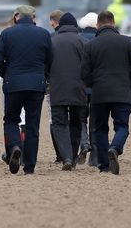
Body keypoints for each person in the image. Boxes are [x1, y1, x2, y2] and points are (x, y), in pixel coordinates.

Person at [0, 5, 53, 175]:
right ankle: (30, 166)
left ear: (17, 17)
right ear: (33, 18)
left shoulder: (7, 34)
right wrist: (43, 76)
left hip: (13, 84)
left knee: (11, 120)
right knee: (32, 126)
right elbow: (50, 59)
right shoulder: (44, 34)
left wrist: (6, 73)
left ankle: (16, 146)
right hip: (36, 85)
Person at [81, 11, 131, 175]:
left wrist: (93, 84)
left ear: (97, 25)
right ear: (114, 23)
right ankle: (115, 148)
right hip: (122, 92)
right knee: (122, 127)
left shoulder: (91, 45)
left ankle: (104, 165)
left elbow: (84, 73)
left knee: (100, 129)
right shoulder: (127, 41)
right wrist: (129, 85)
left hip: (99, 93)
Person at [49, 12, 88, 170]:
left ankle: (66, 157)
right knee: (76, 122)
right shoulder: (84, 42)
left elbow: (46, 65)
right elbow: (88, 67)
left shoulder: (52, 41)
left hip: (57, 88)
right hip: (79, 89)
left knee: (59, 123)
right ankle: (72, 158)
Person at [0, 16, 25, 164]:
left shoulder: (7, 37)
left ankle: (11, 150)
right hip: (31, 83)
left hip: (11, 84)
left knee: (10, 120)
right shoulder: (33, 36)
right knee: (25, 120)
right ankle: (24, 153)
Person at [78, 12, 99, 165]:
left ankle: (84, 143)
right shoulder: (100, 39)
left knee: (81, 119)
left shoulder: (79, 39)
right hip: (98, 86)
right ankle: (95, 156)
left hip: (81, 86)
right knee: (96, 121)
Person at [47, 9, 64, 164]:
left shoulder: (50, 39)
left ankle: (60, 154)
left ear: (53, 22)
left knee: (54, 119)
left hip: (53, 84)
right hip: (73, 84)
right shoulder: (76, 37)